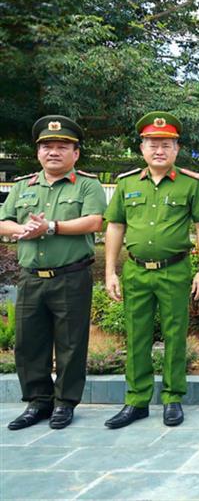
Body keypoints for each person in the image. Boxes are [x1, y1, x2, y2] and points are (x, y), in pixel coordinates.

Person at [102, 112, 199, 429]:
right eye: (152, 144)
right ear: (142, 149)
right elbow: (115, 227)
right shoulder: (126, 184)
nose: (159, 150)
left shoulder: (191, 185)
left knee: (175, 335)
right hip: (136, 271)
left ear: (177, 149)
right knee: (136, 336)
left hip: (175, 270)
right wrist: (110, 271)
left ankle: (172, 398)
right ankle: (136, 401)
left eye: (166, 144)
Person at [2, 116, 106, 431]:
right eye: (47, 146)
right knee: (29, 342)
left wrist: (50, 227)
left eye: (62, 147)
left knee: (71, 343)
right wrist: (22, 230)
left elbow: (93, 222)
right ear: (38, 153)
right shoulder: (23, 186)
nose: (54, 152)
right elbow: (4, 221)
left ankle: (65, 403)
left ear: (75, 154)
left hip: (71, 275)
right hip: (31, 276)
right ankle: (38, 402)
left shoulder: (87, 184)